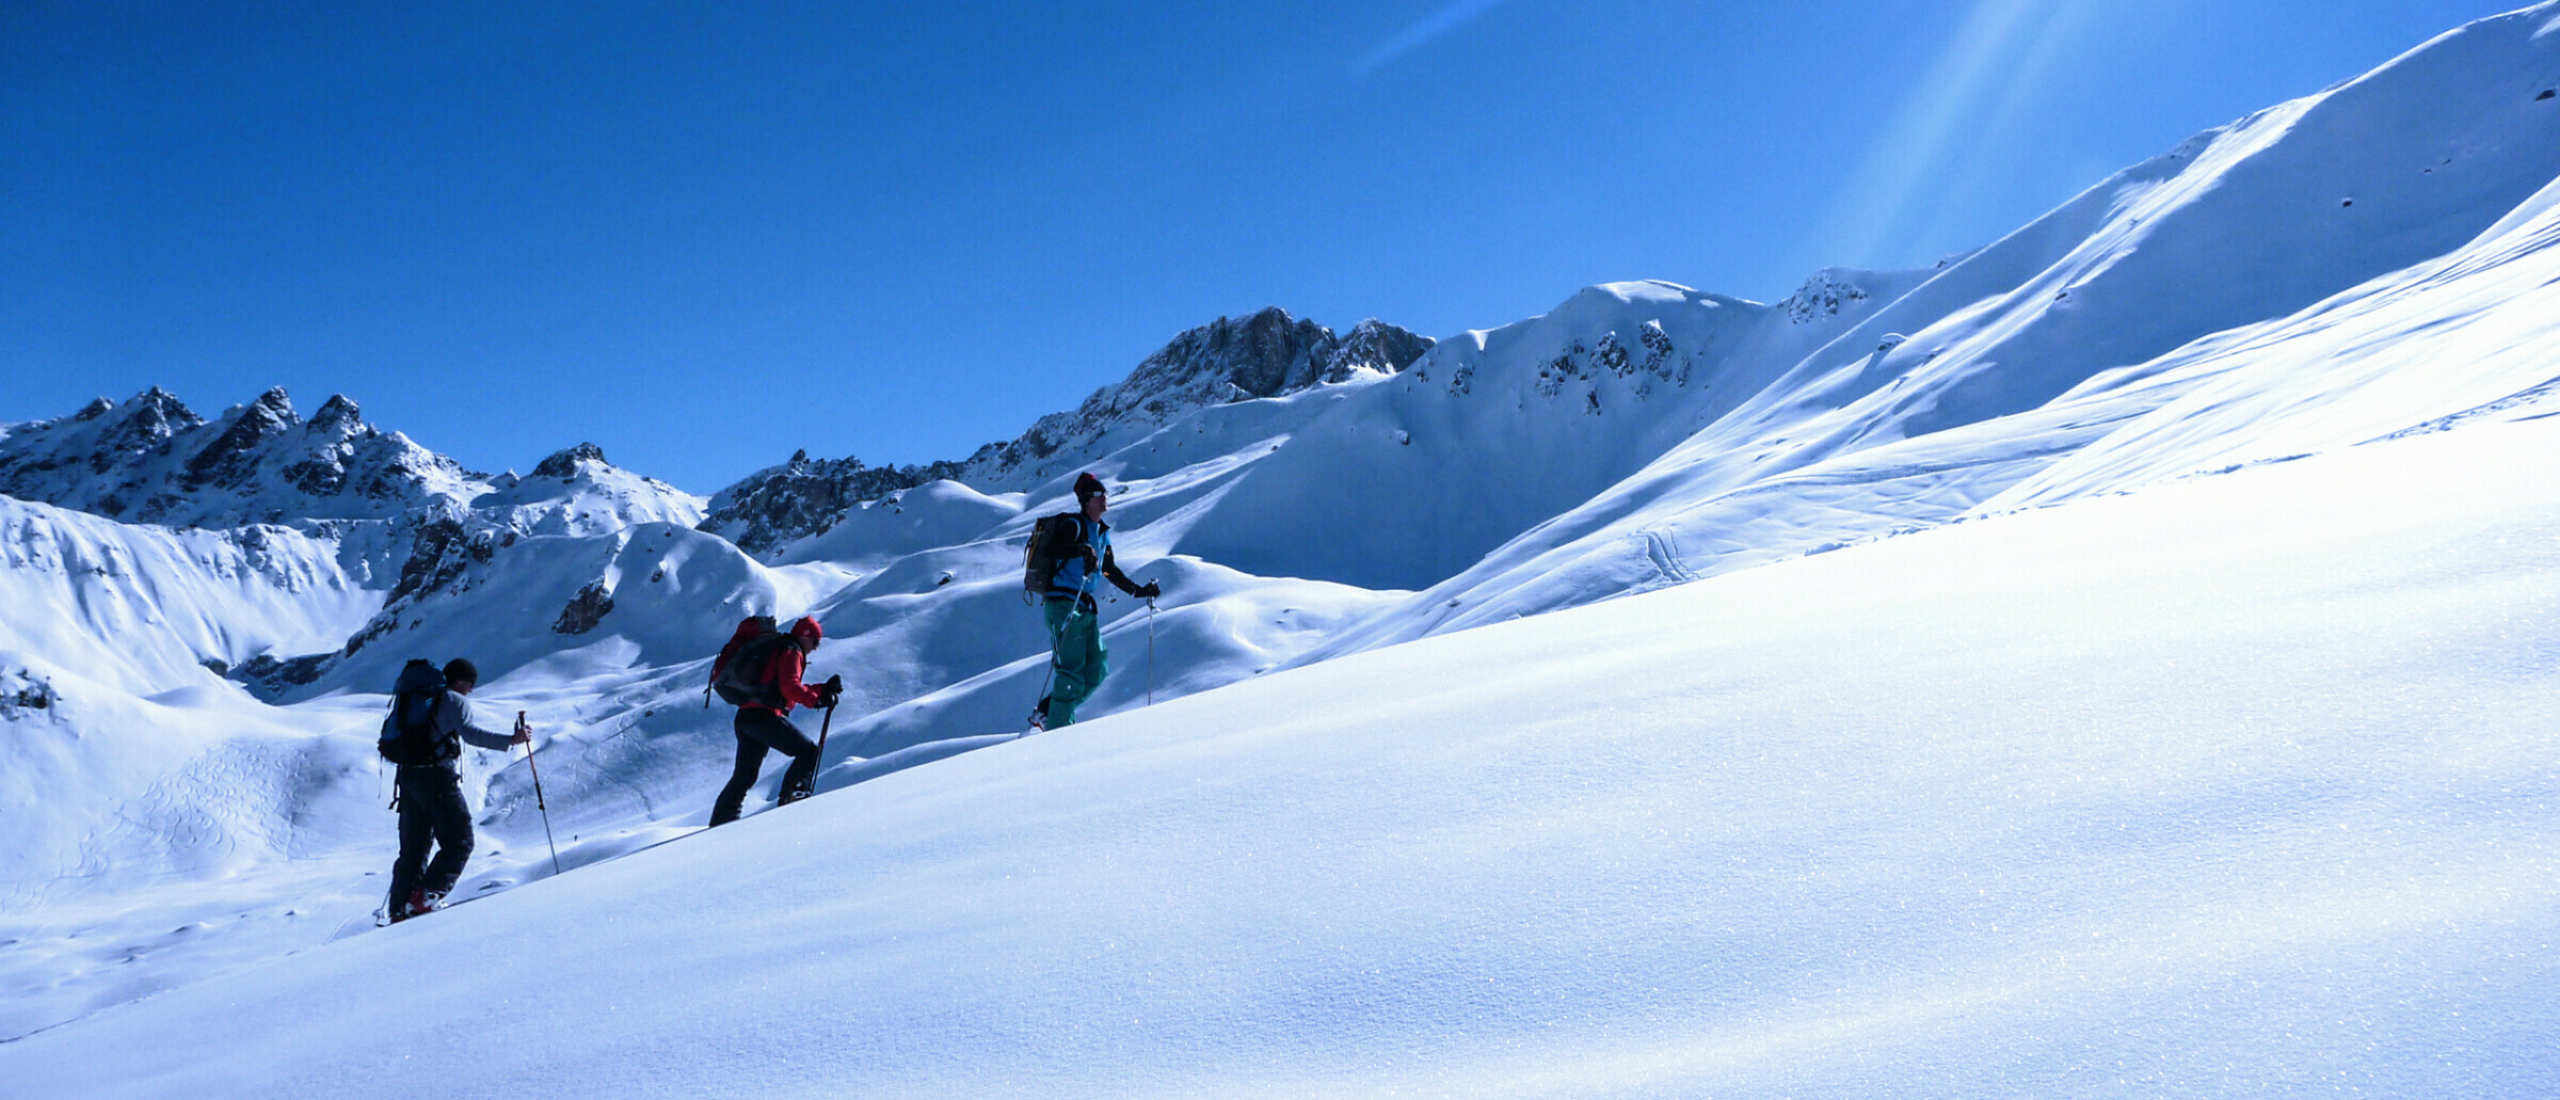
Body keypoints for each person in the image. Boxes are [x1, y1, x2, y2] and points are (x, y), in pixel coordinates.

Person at [387, 658, 528, 923]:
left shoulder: (415, 698)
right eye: (470, 684)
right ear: (461, 681)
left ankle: (400, 909)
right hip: (437, 777)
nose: (471, 690)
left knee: (414, 849)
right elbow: (471, 734)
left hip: (408, 778)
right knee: (460, 841)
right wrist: (511, 740)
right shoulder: (453, 699)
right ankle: (424, 899)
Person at [1032, 472, 1160, 729]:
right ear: (1087, 500)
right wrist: (1080, 549)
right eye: (1100, 495)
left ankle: (1049, 709)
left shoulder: (1101, 533)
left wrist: (1138, 591)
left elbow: (1108, 568)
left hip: (1083, 607)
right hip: (1064, 604)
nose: (1105, 499)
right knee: (1070, 671)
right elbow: (1053, 549)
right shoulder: (1074, 525)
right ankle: (1058, 730)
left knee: (1096, 670)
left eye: (1105, 495)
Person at [709, 615, 843, 826]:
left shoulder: (779, 648)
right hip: (765, 717)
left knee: (744, 777)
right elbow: (790, 687)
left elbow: (782, 688)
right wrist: (816, 701)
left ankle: (721, 823)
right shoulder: (791, 650)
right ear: (807, 637)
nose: (815, 648)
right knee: (808, 752)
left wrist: (821, 690)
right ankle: (791, 801)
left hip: (746, 718)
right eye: (815, 642)